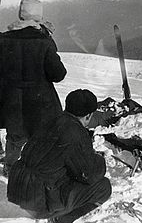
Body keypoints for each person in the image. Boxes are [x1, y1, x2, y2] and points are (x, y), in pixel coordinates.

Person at [7, 89, 112, 223]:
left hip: (17, 188)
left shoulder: (50, 120)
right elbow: (88, 175)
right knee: (103, 187)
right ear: (88, 116)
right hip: (38, 201)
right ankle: (61, 219)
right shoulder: (75, 132)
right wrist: (99, 159)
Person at [0, 0, 67, 175]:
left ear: (20, 14)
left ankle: (10, 169)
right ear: (40, 16)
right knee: (40, 137)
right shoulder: (44, 41)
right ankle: (37, 171)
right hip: (40, 102)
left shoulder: (3, 39)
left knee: (14, 136)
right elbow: (58, 74)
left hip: (11, 101)